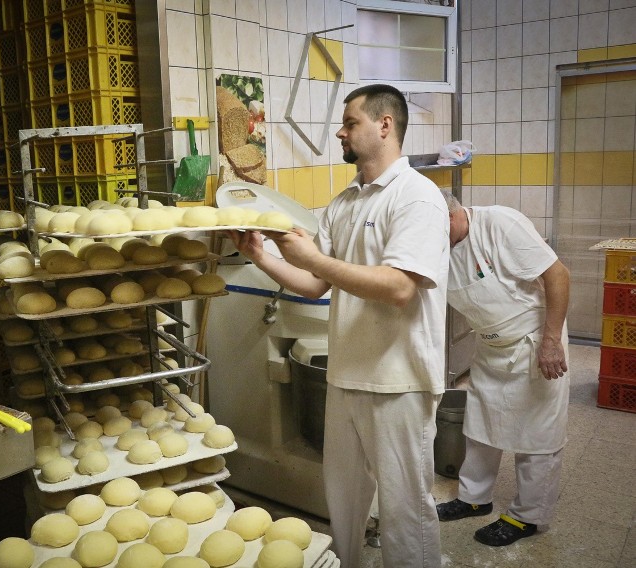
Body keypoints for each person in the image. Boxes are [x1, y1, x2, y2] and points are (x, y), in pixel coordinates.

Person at [228, 84, 449, 568]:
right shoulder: (347, 200)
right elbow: (313, 283)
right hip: (347, 375)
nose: (340, 131)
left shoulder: (417, 198)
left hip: (399, 381)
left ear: (384, 125)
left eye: (350, 123)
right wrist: (263, 256)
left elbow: (398, 287)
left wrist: (314, 258)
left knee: (404, 511)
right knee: (344, 504)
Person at [436, 190, 570, 547]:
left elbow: (558, 275)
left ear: (451, 217)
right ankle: (473, 499)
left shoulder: (500, 224)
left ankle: (527, 516)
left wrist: (552, 341)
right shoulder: (437, 242)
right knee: (480, 426)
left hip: (534, 341)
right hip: (490, 346)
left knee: (537, 434)